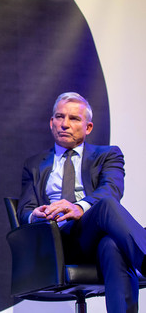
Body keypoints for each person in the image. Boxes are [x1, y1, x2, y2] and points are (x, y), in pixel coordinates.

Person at [17, 92, 146, 313]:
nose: (65, 124)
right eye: (59, 117)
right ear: (51, 122)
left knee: (111, 242)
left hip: (90, 237)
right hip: (55, 241)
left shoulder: (107, 155)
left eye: (74, 118)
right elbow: (24, 210)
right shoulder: (34, 164)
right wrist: (34, 215)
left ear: (88, 127)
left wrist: (79, 207)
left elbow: (112, 189)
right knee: (106, 209)